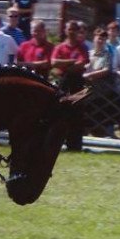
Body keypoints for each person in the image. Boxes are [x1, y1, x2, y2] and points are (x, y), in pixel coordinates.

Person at [51, 20, 90, 151]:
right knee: (61, 113)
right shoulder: (60, 47)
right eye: (70, 29)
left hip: (78, 83)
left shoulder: (82, 47)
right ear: (65, 30)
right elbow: (54, 62)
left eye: (74, 29)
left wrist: (65, 65)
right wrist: (72, 62)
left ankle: (75, 145)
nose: (72, 31)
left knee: (77, 114)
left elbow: (82, 63)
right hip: (63, 83)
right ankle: (57, 142)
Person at [82, 27, 117, 138]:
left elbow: (106, 70)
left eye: (103, 39)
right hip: (87, 93)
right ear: (94, 38)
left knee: (99, 119)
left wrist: (90, 75)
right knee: (86, 117)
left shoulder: (107, 55)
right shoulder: (88, 54)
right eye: (99, 38)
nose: (100, 41)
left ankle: (104, 138)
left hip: (101, 94)